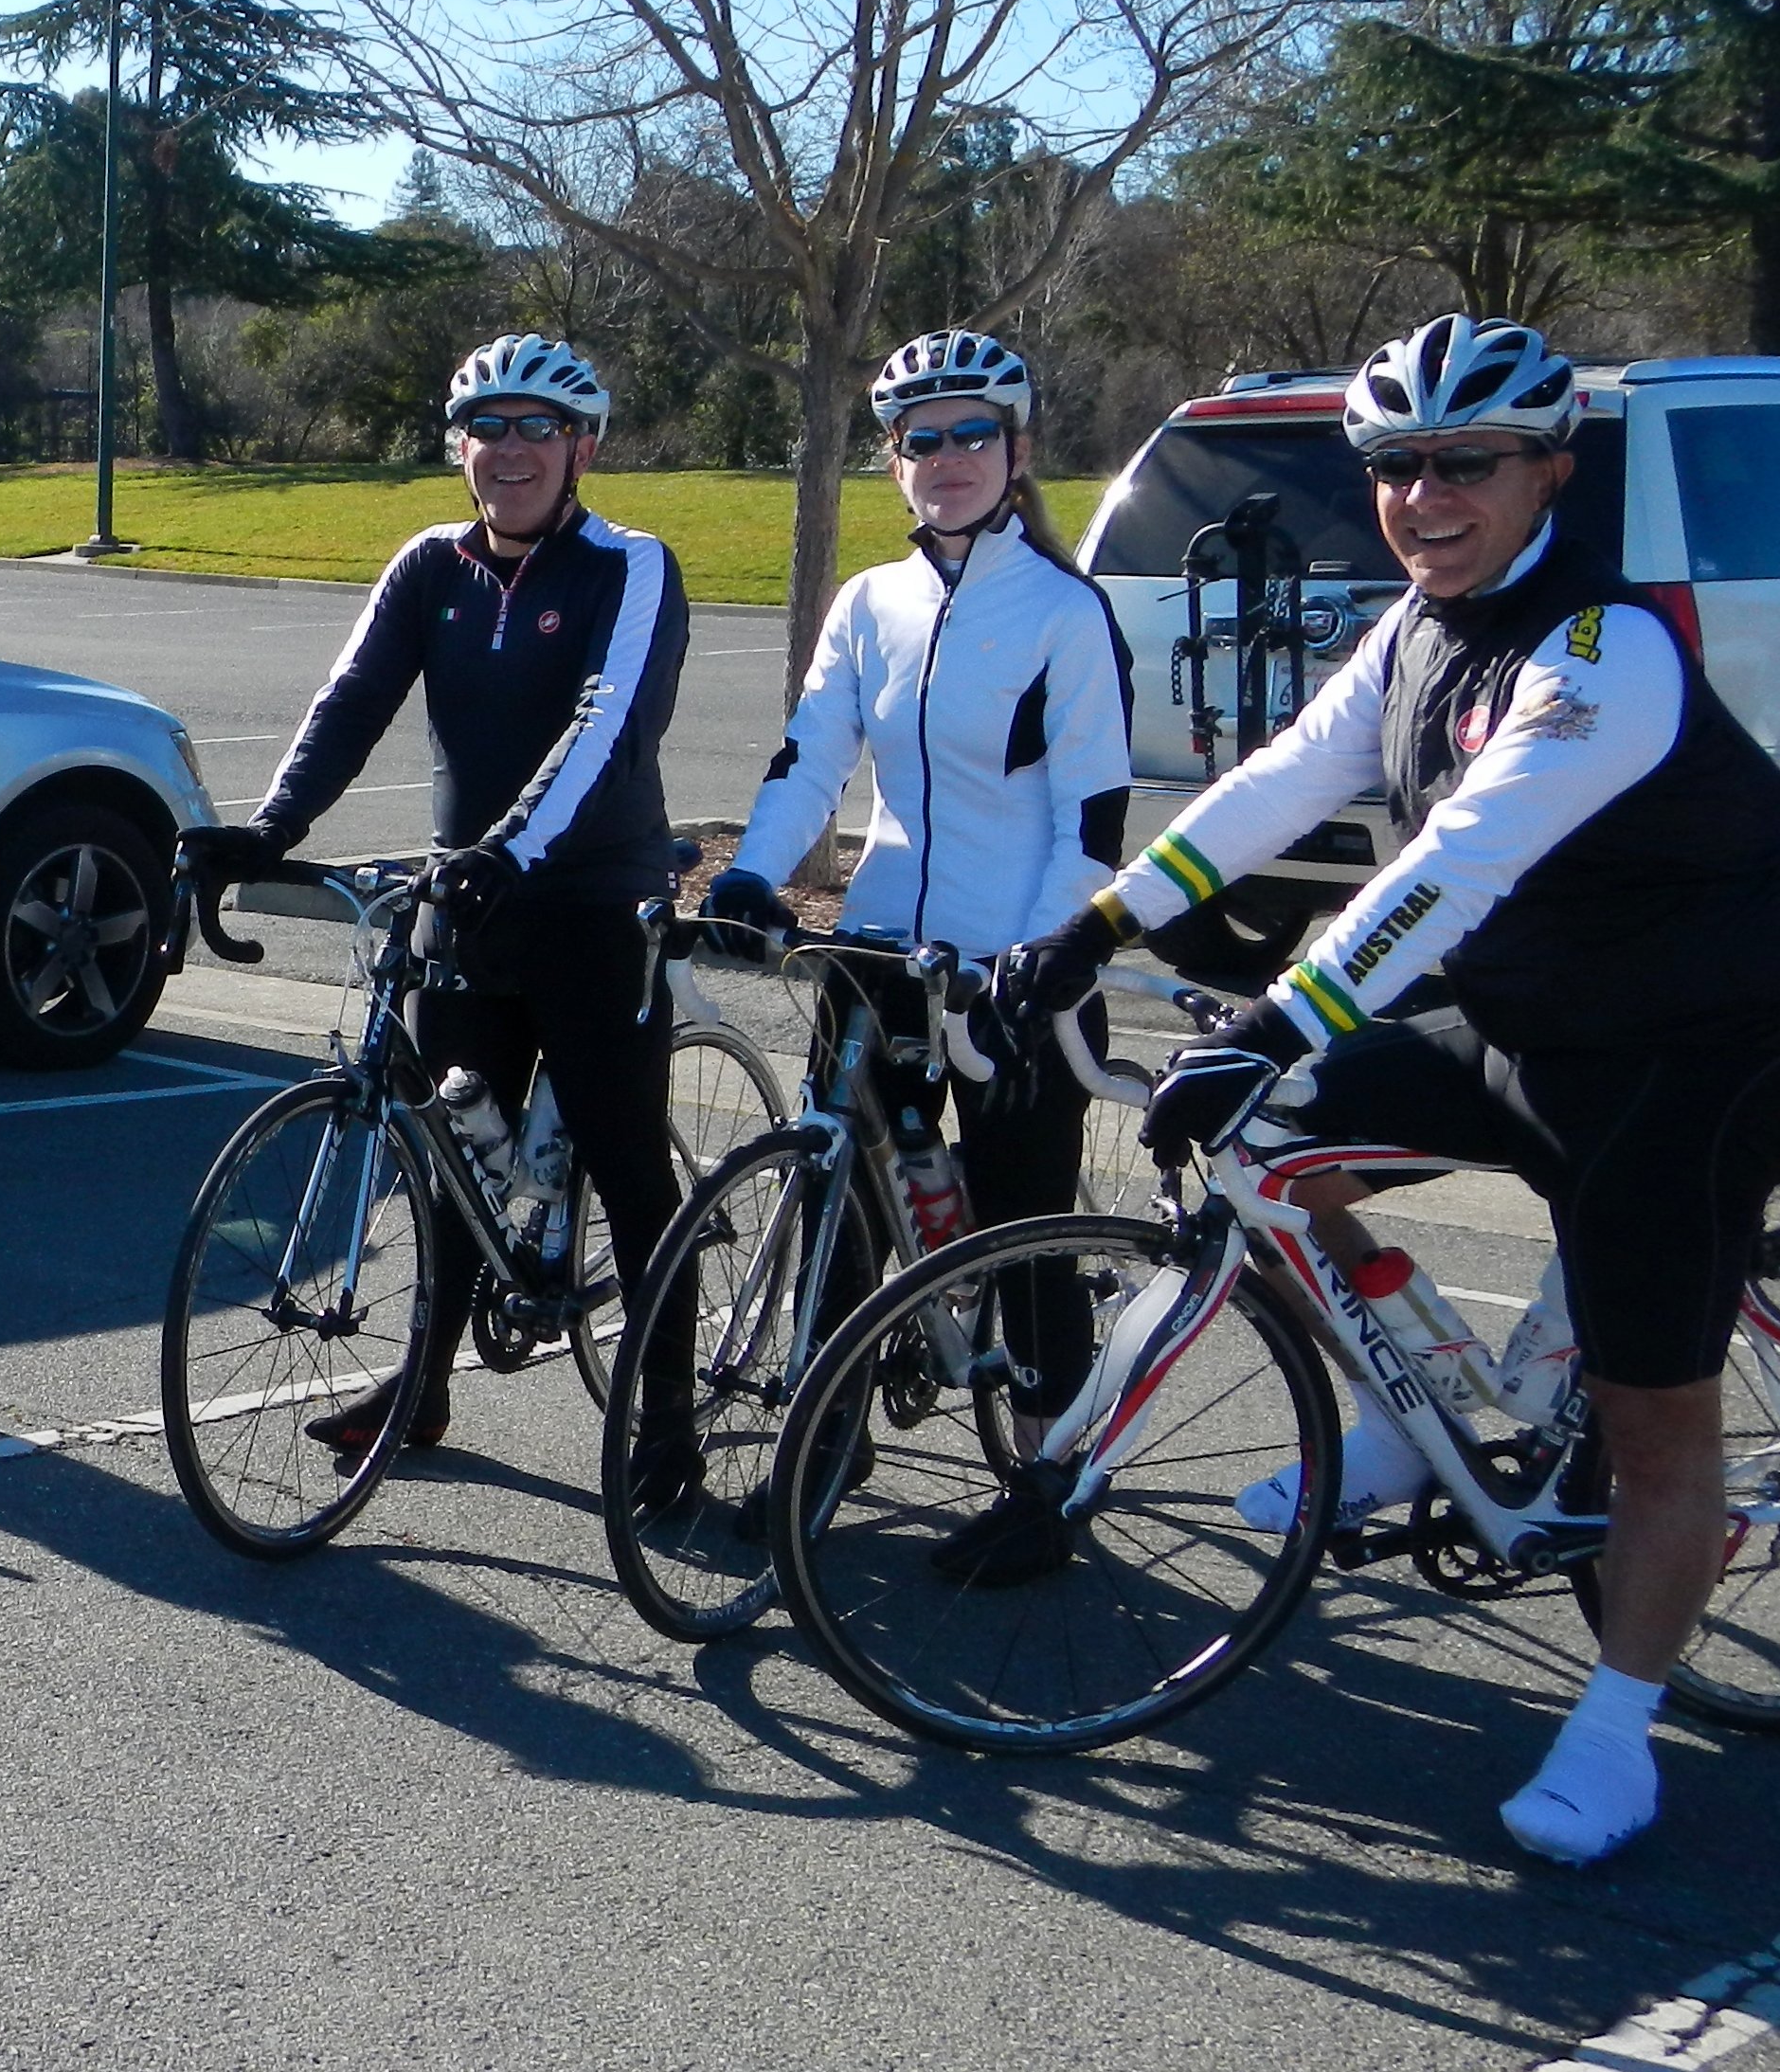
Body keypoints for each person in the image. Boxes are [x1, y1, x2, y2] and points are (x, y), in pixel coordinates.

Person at [997, 313, 1780, 1866]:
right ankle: (1400, 1418)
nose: (1421, 495)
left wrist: (1271, 1014)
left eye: (1463, 464)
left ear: (1545, 477)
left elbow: (1453, 867)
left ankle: (1612, 1734)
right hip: (1524, 1018)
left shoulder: (1604, 650)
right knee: (1273, 1149)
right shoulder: (1409, 628)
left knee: (1653, 1423)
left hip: (1681, 1050)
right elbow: (1283, 781)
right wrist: (1092, 923)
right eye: (1391, 466)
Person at [184, 333, 690, 1463]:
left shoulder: (629, 565)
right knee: (445, 1160)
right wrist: (272, 829)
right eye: (488, 428)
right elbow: (353, 697)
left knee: (629, 1167)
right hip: (466, 902)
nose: (509, 450)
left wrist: (511, 848)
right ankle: (423, 1389)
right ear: (460, 445)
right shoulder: (429, 565)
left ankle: (668, 1422)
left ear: (582, 447)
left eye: (538, 429)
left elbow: (607, 726)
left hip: (593, 901)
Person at [703, 328, 1137, 1577]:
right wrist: (754, 871)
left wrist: (1044, 956)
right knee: (841, 1204)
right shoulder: (869, 604)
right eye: (921, 440)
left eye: (972, 436)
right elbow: (811, 759)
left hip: (1020, 967)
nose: (946, 461)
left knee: (1025, 1226)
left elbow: (1095, 822)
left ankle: (1047, 1479)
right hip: (887, 947)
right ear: (894, 460)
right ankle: (828, 1437)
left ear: (1019, 450)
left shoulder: (1065, 611)